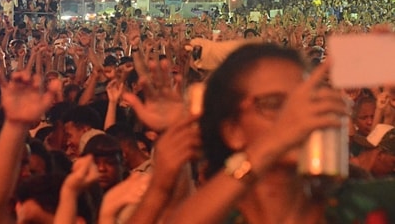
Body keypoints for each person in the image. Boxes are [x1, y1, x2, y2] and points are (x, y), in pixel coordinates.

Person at [167, 43, 395, 224]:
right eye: (275, 104)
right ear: (233, 131)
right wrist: (269, 147)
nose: (297, 116)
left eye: (303, 100)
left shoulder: (363, 205)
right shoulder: (217, 216)